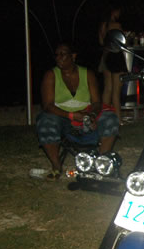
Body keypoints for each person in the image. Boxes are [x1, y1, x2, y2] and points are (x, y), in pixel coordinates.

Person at [36, 43, 119, 180]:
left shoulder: (87, 74)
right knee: (45, 120)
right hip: (62, 116)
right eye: (56, 55)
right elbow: (48, 105)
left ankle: (101, 163)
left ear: (73, 56)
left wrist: (91, 115)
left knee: (110, 118)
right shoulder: (51, 75)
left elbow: (97, 102)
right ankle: (56, 165)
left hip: (86, 113)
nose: (58, 58)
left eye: (63, 54)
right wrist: (71, 115)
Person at [98, 6, 126, 123]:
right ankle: (118, 119)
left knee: (107, 89)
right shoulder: (117, 25)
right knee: (116, 91)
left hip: (105, 56)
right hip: (116, 56)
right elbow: (122, 41)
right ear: (114, 11)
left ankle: (104, 118)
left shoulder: (103, 25)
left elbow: (101, 42)